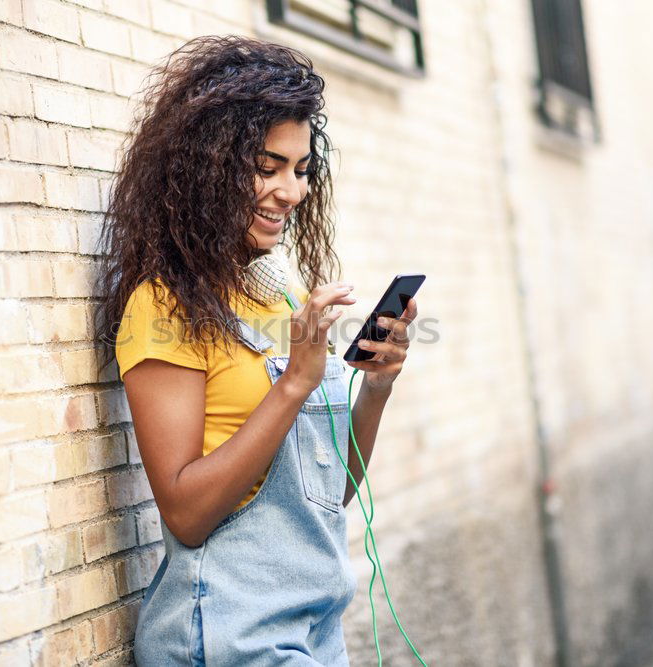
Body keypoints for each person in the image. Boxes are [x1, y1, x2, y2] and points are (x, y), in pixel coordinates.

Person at [94, 35, 418, 666]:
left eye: (300, 169)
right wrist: (294, 382)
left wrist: (376, 387)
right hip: (228, 635)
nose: (291, 191)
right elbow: (186, 513)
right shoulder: (164, 309)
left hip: (314, 632)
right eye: (266, 168)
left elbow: (330, 492)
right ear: (207, 166)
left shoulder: (280, 295)